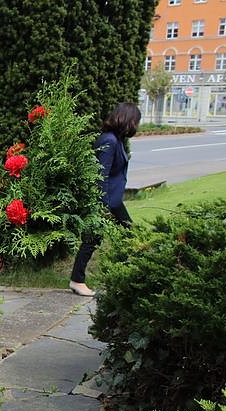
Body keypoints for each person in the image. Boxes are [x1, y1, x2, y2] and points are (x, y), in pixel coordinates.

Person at [69, 102, 140, 297]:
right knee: (93, 239)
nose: (137, 126)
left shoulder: (115, 139)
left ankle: (129, 274)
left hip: (113, 201)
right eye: (136, 121)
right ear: (128, 120)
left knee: (130, 234)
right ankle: (77, 280)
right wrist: (102, 207)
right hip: (105, 203)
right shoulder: (109, 141)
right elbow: (100, 175)